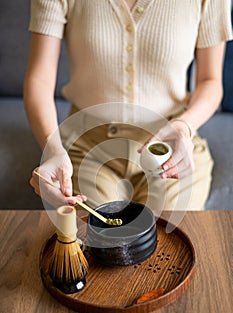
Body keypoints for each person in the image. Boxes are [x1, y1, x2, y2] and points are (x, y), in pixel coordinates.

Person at [24, 0, 232, 212]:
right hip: (87, 147)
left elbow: (210, 81)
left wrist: (185, 126)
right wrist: (53, 150)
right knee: (96, 239)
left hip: (170, 148)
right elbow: (39, 81)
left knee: (169, 240)